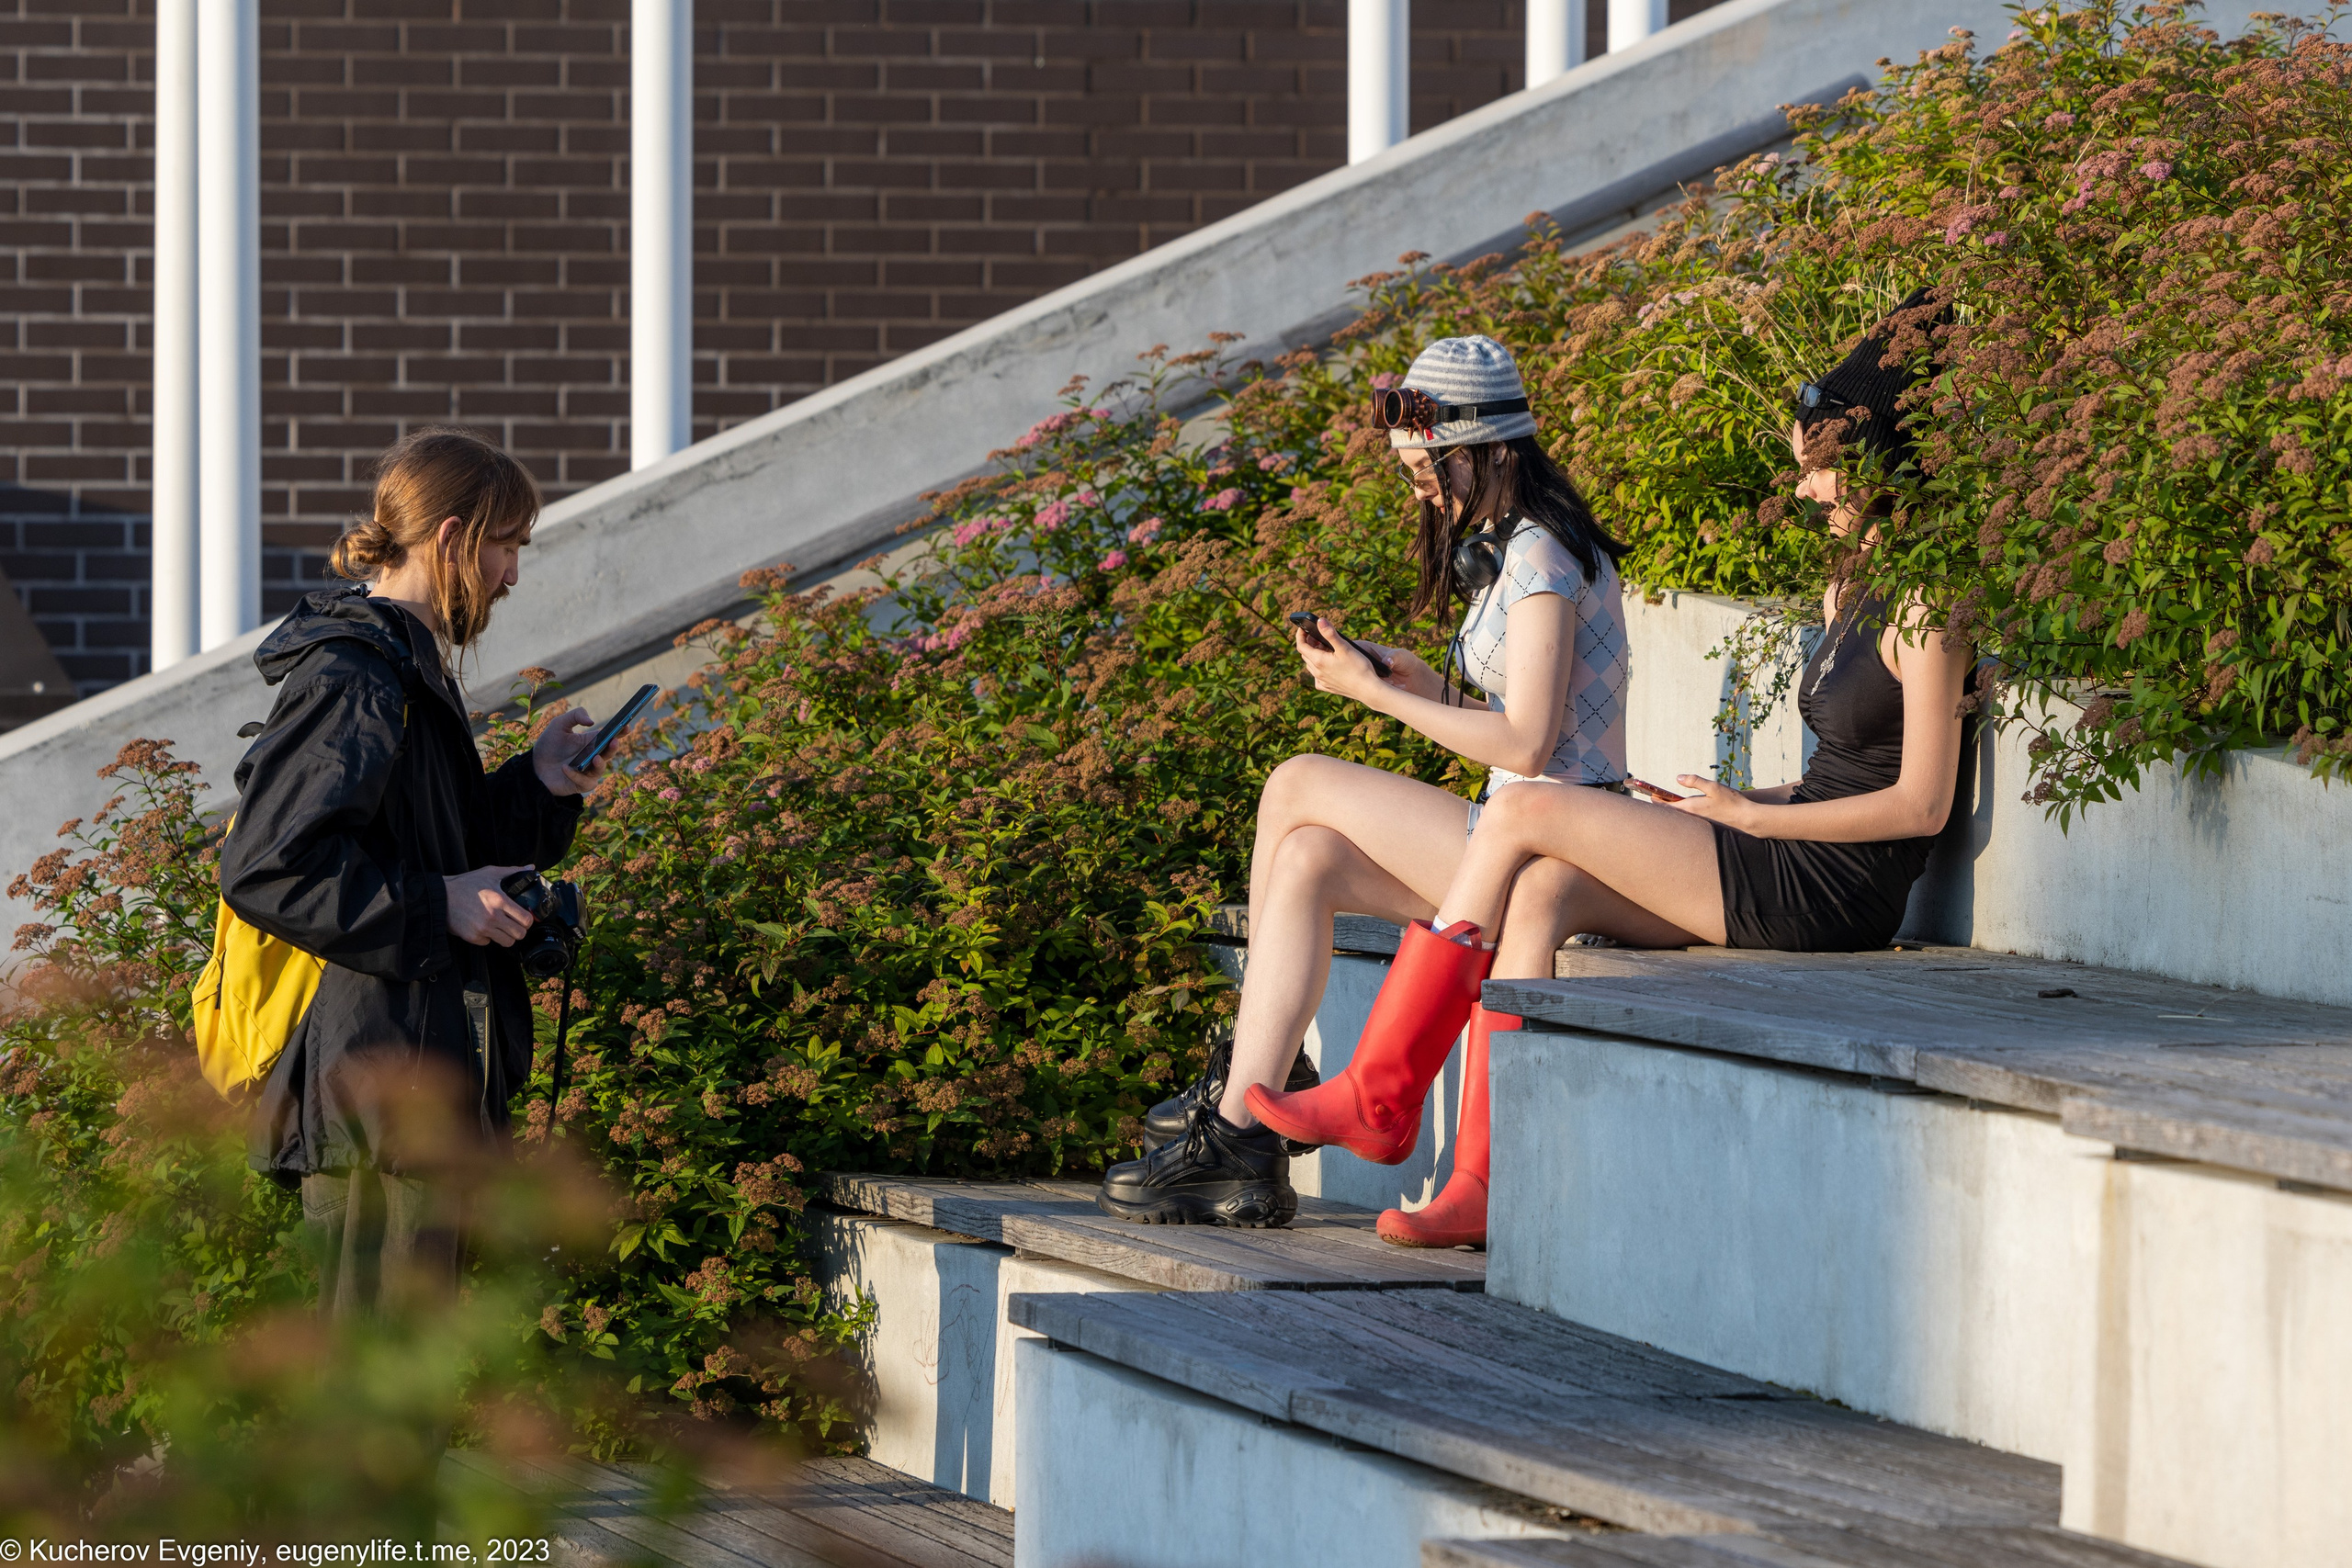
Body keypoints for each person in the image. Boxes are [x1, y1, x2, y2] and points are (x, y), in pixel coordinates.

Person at [1243, 296, 1973, 1247]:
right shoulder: (1849, 588)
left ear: (1879, 462)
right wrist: (1735, 800)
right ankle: (1482, 1181)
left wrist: (1752, 821)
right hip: (1779, 847)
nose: (1803, 492)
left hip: (1831, 893)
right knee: (1542, 890)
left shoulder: (1931, 606)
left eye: (1819, 471)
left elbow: (1920, 805)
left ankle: (1384, 1089)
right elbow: (1841, 774)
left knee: (1523, 813)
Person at [1096, 334, 1631, 1235]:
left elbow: (1529, 743)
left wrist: (1375, 697)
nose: (1420, 488)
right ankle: (1247, 1130)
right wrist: (1422, 682)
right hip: (1525, 833)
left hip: (1558, 845)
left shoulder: (1539, 561)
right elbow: (1536, 722)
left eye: (1429, 468)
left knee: (1296, 783)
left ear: (1491, 449)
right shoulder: (1521, 548)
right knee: (1309, 857)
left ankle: (1245, 1100)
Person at [223, 427, 608, 1318]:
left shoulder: (403, 663)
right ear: (451, 537)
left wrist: (540, 783)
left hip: (415, 1098)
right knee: (372, 1390)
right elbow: (271, 866)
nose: (513, 574)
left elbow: (443, 848)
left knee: (406, 1385)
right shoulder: (356, 674)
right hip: (379, 1110)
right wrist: (438, 904)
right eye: (506, 544)